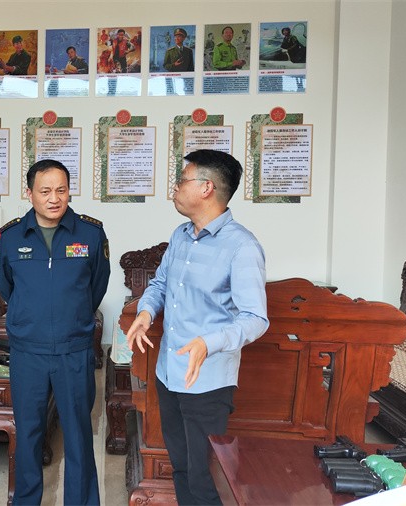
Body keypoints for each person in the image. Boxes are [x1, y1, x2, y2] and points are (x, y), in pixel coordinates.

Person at [125, 149, 269, 505]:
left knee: (206, 478)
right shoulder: (180, 235)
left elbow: (255, 318)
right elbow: (160, 284)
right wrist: (145, 313)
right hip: (169, 373)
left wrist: (209, 341)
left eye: (182, 180)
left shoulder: (242, 246)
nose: (175, 188)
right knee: (181, 468)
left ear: (206, 188)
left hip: (207, 382)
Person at [0, 159, 110, 505]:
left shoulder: (90, 234)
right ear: (29, 193)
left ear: (69, 191)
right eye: (45, 191)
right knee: (28, 433)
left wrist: (70, 318)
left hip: (73, 350)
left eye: (61, 190)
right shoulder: (11, 236)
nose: (54, 198)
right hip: (27, 352)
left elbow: (96, 286)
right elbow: (6, 287)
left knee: (77, 435)